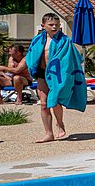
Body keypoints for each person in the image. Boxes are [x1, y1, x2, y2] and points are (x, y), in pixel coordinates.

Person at [25, 12, 87, 143]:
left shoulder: (65, 41)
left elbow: (71, 59)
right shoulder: (37, 40)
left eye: (57, 25)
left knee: (55, 100)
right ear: (43, 26)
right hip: (42, 74)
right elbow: (31, 56)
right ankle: (49, 134)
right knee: (43, 104)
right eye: (51, 25)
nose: (54, 27)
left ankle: (60, 123)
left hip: (57, 75)